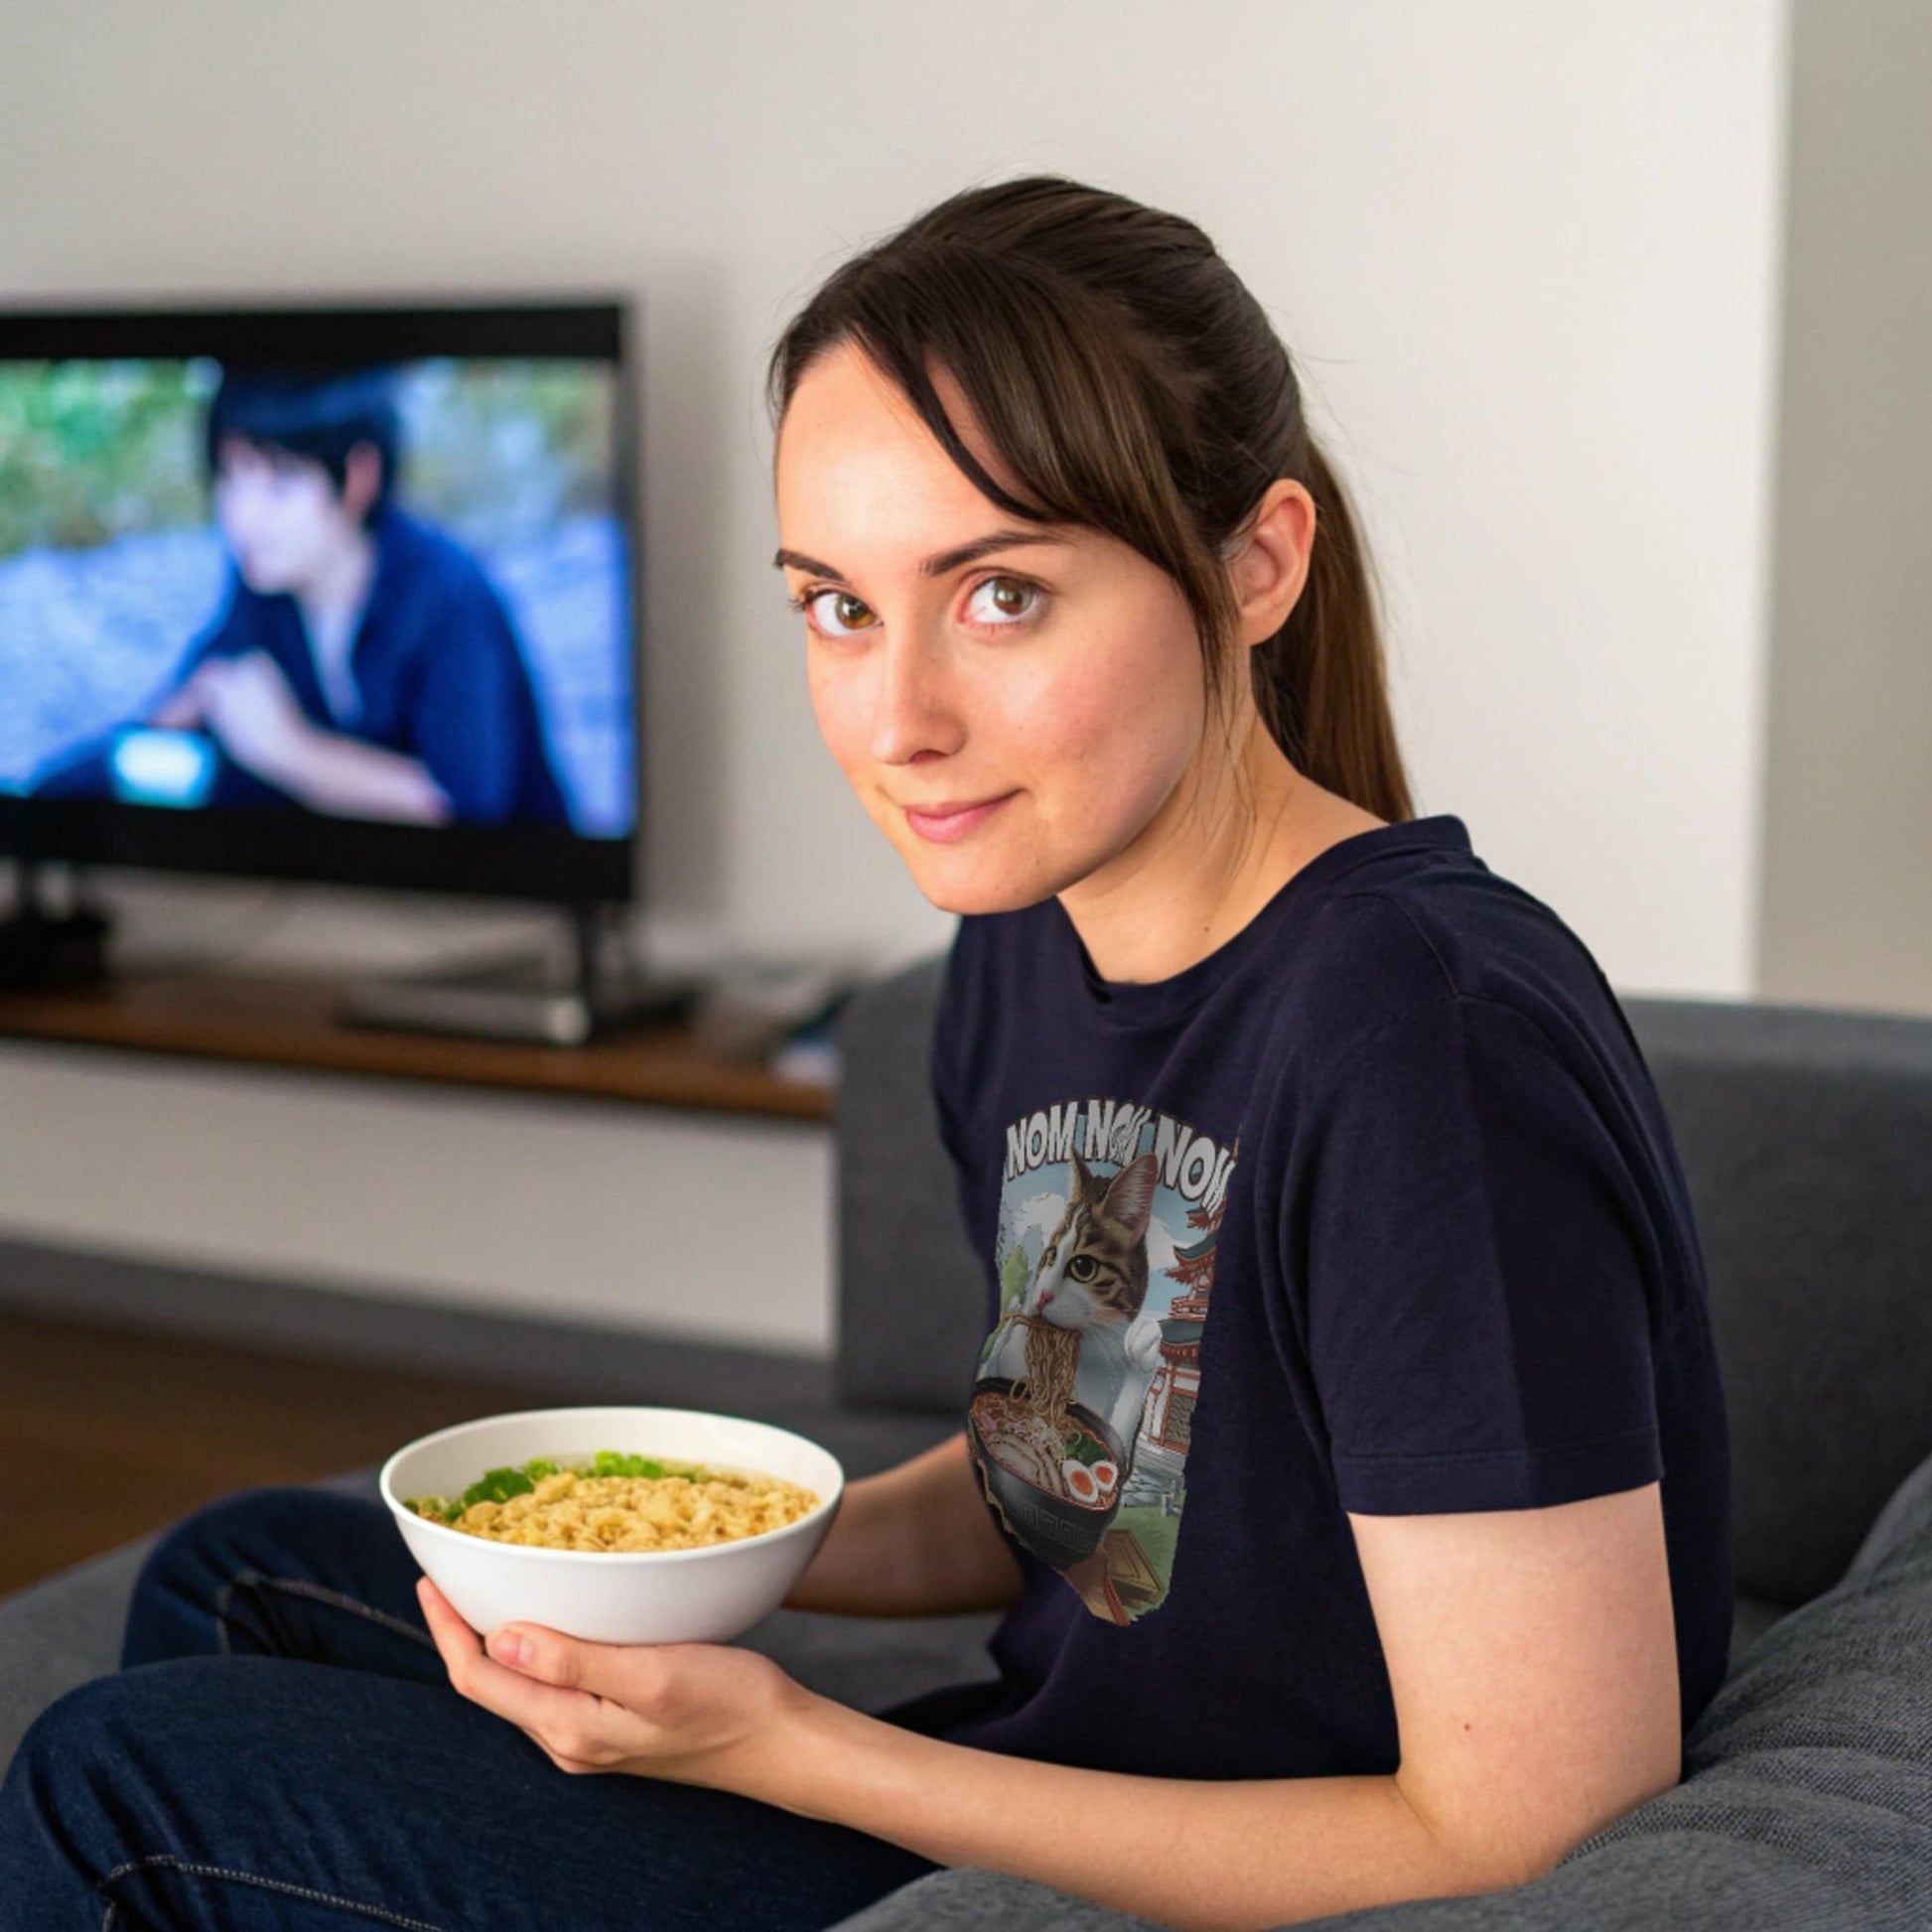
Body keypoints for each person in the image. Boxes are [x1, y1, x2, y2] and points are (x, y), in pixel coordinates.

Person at [0, 176, 1733, 1930]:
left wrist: (785, 1743)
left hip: (1125, 1877)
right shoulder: (1027, 950)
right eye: (836, 605)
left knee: (112, 1784)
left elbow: (1525, 1833)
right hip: (1027, 1781)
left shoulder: (1420, 1044)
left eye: (998, 598)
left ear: (1256, 562)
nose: (895, 722)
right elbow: (1075, 1492)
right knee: (242, 1572)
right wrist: (707, 1527)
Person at [29, 365, 572, 827]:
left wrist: (288, 749)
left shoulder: (447, 593)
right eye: (231, 479)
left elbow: (466, 808)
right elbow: (194, 695)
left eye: (280, 484)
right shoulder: (268, 581)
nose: (243, 518)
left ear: (360, 478)